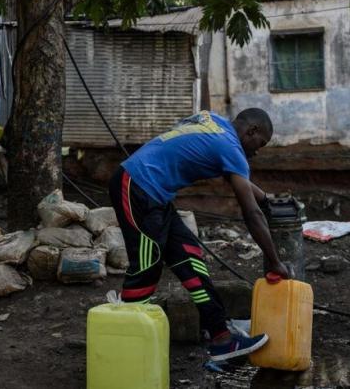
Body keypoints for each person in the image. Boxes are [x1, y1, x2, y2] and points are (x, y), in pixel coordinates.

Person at [108, 108, 290, 362]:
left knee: (190, 260)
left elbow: (235, 178)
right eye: (259, 144)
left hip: (156, 194)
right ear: (252, 131)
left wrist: (266, 199)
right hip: (136, 184)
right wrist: (274, 260)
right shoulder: (231, 149)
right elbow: (252, 214)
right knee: (147, 265)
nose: (256, 151)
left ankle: (221, 339)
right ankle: (122, 349)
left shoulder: (213, 121)